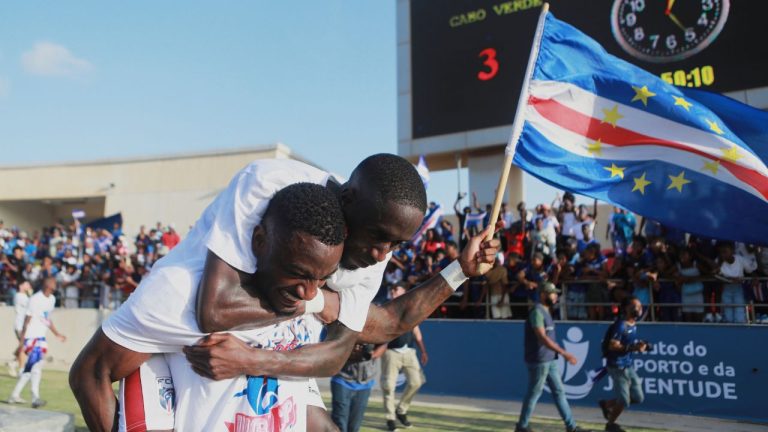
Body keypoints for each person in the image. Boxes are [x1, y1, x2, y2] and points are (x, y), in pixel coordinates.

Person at [70, 156, 501, 431]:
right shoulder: (186, 283)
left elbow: (376, 328)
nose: (380, 255)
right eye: (376, 238)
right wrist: (319, 306)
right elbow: (213, 309)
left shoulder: (355, 265)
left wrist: (460, 271)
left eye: (395, 245)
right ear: (261, 242)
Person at [515, 282, 586, 432]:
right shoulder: (537, 312)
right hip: (539, 360)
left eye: (555, 293)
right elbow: (542, 338)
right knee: (534, 393)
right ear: (543, 295)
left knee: (559, 392)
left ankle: (571, 427)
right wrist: (564, 353)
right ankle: (522, 426)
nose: (555, 296)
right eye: (552, 293)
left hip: (549, 359)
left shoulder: (545, 311)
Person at [8, 276, 67, 408]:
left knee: (34, 367)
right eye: (53, 282)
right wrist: (22, 342)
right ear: (47, 285)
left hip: (41, 337)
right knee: (35, 366)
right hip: (31, 337)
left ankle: (16, 395)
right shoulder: (35, 299)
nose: (55, 284)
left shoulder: (52, 299)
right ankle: (34, 397)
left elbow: (46, 319)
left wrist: (57, 334)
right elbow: (26, 321)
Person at [381, 282, 428, 431]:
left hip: (409, 352)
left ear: (405, 292)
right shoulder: (386, 306)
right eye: (393, 289)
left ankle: (401, 410)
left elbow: (416, 331)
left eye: (398, 289)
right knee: (389, 386)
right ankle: (390, 419)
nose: (395, 291)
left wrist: (423, 351)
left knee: (417, 381)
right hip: (391, 352)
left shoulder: (411, 308)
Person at [599, 296, 647, 432]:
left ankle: (606, 404)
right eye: (633, 306)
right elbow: (613, 346)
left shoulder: (633, 324)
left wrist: (643, 345)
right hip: (617, 366)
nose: (637, 309)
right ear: (626, 308)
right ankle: (610, 425)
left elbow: (629, 343)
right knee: (624, 400)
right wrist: (633, 348)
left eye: (639, 306)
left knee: (638, 397)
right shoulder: (621, 325)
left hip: (628, 365)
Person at [331, 343, 385, 432]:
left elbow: (384, 344)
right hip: (342, 378)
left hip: (365, 382)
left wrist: (371, 355)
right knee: (340, 421)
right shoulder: (343, 328)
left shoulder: (374, 330)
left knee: (355, 425)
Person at [8, 280, 33, 377]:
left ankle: (13, 363)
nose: (28, 286)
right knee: (23, 348)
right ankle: (21, 370)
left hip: (24, 326)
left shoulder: (25, 296)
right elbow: (31, 304)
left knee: (24, 347)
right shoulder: (19, 296)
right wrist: (31, 294)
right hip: (19, 326)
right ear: (21, 285)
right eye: (27, 284)